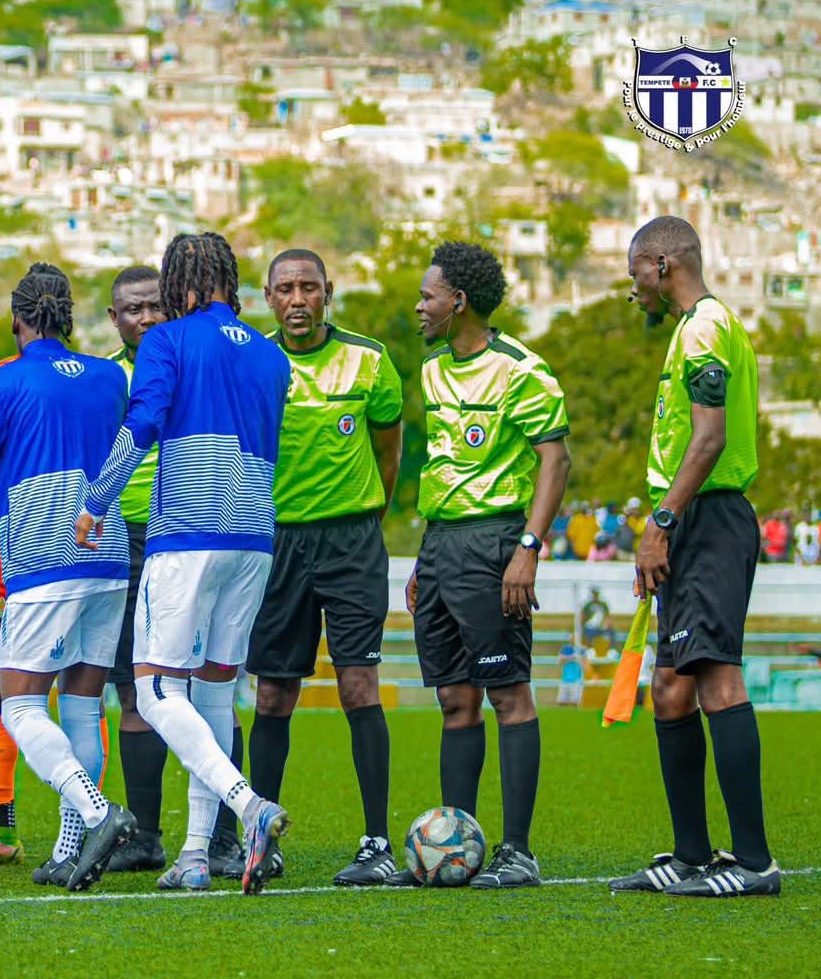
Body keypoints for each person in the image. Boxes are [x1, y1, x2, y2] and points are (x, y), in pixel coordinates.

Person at [0, 262, 137, 888]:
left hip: (43, 556)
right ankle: (69, 847)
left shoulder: (0, 384)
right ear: (69, 314)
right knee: (84, 707)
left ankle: (95, 813)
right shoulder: (107, 377)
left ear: (16, 319)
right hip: (109, 552)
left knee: (18, 704)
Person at [79, 231, 293, 895]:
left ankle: (249, 806)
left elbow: (142, 422)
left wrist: (95, 500)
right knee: (215, 693)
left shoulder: (168, 341)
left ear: (182, 283)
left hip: (186, 536)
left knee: (157, 689)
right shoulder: (270, 354)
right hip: (254, 535)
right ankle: (196, 855)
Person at [395, 241, 571, 889]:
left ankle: (518, 851)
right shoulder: (434, 369)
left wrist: (527, 548)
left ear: (459, 301)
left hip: (495, 541)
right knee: (453, 699)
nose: (420, 307)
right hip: (441, 545)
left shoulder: (522, 370)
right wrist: (426, 555)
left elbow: (555, 461)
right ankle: (458, 844)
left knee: (508, 695)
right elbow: (443, 465)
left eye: (428, 296)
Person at [612, 216, 778, 897]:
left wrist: (662, 522)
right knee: (671, 691)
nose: (635, 294)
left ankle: (753, 864)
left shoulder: (706, 326)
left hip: (708, 520)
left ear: (660, 264)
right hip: (690, 524)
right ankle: (689, 856)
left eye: (635, 279)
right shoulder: (691, 330)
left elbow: (708, 439)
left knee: (716, 682)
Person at [243, 248, 404, 888]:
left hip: (351, 540)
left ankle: (376, 841)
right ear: (268, 297)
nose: (298, 299)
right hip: (277, 542)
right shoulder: (254, 361)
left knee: (358, 685)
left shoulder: (370, 359)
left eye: (309, 287)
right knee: (273, 691)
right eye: (286, 289)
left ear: (329, 292)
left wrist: (364, 517)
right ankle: (261, 834)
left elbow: (389, 454)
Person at [98, 264, 178, 875]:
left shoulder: (185, 363)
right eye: (132, 309)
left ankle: (225, 834)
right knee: (131, 687)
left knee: (203, 682)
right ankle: (146, 835)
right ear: (113, 317)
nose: (144, 318)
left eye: (153, 306)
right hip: (121, 541)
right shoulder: (103, 379)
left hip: (182, 527)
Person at [555, 640, 585, 707]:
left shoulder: (582, 650)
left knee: (575, 703)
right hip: (565, 680)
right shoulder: (566, 649)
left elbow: (584, 664)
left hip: (576, 681)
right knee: (561, 702)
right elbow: (560, 661)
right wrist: (571, 657)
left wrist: (579, 658)